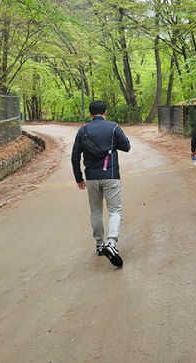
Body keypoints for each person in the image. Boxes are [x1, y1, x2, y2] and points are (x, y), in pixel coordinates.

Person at [71, 100, 131, 267]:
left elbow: (75, 156)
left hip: (91, 177)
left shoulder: (82, 131)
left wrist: (78, 178)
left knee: (96, 211)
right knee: (115, 210)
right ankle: (111, 243)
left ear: (90, 114)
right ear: (105, 112)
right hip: (111, 175)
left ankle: (99, 244)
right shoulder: (113, 127)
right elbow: (126, 146)